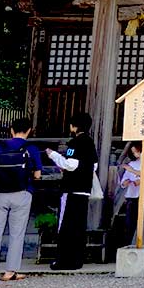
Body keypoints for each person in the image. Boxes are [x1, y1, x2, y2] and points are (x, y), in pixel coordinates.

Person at [0, 118, 42, 281]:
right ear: (29, 130)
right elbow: (37, 175)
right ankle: (10, 271)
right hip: (22, 193)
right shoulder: (31, 149)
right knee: (17, 233)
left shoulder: (0, 147)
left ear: (11, 130)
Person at [45, 111, 97, 271]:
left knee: (65, 225)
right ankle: (77, 260)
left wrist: (53, 155)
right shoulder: (90, 143)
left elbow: (70, 164)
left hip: (72, 189)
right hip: (84, 189)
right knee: (78, 226)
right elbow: (93, 166)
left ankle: (63, 260)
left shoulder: (75, 143)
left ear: (75, 126)